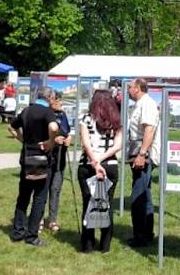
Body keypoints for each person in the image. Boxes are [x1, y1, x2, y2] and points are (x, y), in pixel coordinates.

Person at [7, 85, 59, 247]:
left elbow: (11, 127)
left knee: (23, 197)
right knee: (39, 198)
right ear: (49, 98)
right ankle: (31, 235)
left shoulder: (26, 111)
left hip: (27, 158)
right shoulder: (47, 112)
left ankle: (17, 232)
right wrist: (50, 141)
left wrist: (23, 140)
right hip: (43, 160)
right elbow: (54, 127)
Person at [78, 90, 122, 252]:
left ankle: (87, 245)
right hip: (110, 165)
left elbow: (86, 143)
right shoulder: (117, 121)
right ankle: (105, 245)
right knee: (107, 204)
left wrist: (95, 162)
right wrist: (102, 159)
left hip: (88, 165)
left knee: (88, 203)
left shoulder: (86, 119)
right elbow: (117, 145)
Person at [126, 78, 160, 247]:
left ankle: (140, 236)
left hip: (143, 155)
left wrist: (142, 154)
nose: (127, 90)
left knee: (138, 196)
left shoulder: (147, 104)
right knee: (145, 194)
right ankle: (147, 233)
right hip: (139, 153)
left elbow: (149, 129)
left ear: (138, 88)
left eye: (130, 87)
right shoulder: (140, 103)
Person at [44, 91, 71, 234]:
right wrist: (54, 140)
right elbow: (41, 135)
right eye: (59, 101)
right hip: (47, 159)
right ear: (51, 101)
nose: (62, 103)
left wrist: (68, 139)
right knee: (43, 189)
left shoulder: (63, 115)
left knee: (56, 189)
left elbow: (67, 131)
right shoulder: (45, 114)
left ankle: (53, 219)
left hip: (60, 159)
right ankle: (39, 219)